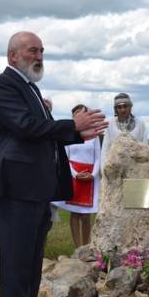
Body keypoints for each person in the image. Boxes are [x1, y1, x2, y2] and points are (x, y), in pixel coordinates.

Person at [0, 31, 107, 297]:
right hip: (17, 189)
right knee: (16, 261)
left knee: (31, 262)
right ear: (13, 56)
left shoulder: (30, 88)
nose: (39, 55)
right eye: (33, 50)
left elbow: (40, 134)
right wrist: (72, 124)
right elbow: (28, 128)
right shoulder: (3, 86)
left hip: (35, 189)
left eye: (42, 50)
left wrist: (77, 133)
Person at [53, 104, 101, 248]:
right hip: (74, 174)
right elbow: (65, 157)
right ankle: (77, 246)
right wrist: (74, 174)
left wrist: (93, 174)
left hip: (89, 176)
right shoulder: (68, 134)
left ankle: (85, 246)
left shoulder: (94, 134)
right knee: (75, 214)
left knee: (86, 215)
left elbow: (98, 156)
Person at [101, 93, 147, 162]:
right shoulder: (110, 124)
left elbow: (145, 148)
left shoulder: (140, 124)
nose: (123, 110)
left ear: (130, 107)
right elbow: (105, 150)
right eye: (119, 107)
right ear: (115, 109)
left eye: (125, 106)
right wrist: (103, 170)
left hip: (136, 166)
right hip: (115, 167)